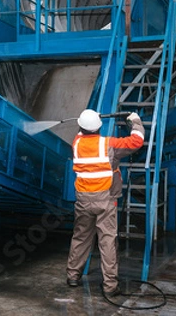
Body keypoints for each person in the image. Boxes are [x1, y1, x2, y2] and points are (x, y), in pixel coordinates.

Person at [66, 109, 144, 296]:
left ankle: (72, 276)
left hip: (83, 199)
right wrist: (136, 121)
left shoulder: (76, 143)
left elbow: (82, 130)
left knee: (81, 237)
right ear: (99, 127)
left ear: (81, 127)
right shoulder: (109, 145)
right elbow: (137, 141)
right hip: (105, 200)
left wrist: (91, 117)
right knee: (107, 240)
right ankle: (110, 286)